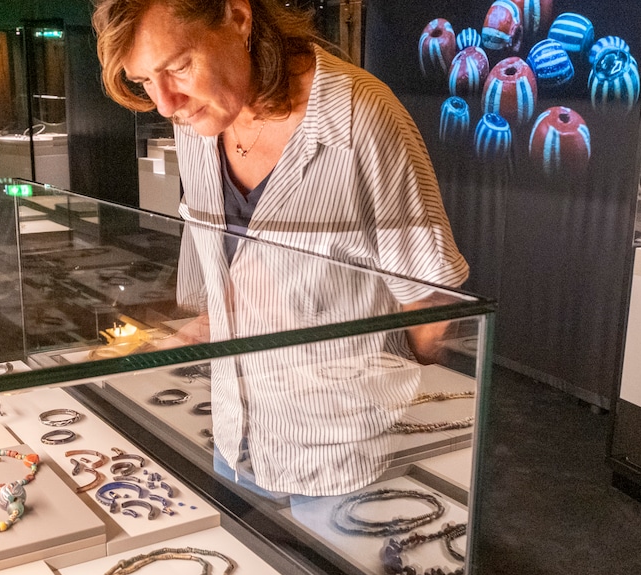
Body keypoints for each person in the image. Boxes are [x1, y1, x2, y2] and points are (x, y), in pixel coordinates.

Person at [93, 0, 472, 496]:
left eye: (179, 67)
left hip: (345, 451)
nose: (165, 104)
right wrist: (210, 325)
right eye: (144, 81)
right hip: (233, 428)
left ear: (238, 17)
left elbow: (430, 305)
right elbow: (230, 270)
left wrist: (383, 406)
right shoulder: (194, 119)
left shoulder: (361, 118)